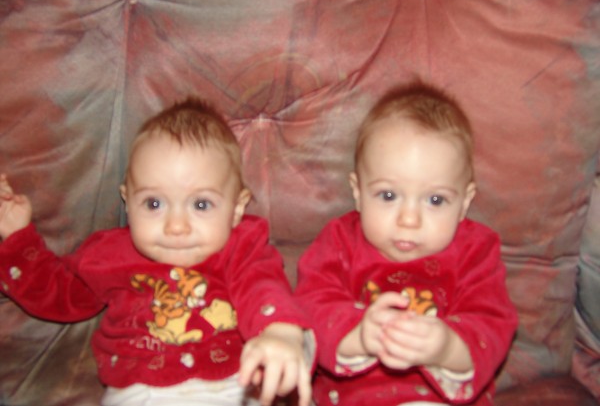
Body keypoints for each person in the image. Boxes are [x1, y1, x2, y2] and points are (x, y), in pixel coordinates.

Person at [0, 98, 314, 406]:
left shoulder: (241, 248)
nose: (176, 226)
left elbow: (262, 286)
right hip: (144, 390)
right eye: (153, 204)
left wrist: (279, 332)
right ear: (128, 200)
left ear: (236, 209)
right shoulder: (107, 254)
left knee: (299, 349)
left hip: (236, 382)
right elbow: (60, 294)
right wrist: (17, 238)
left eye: (201, 204)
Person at [294, 83, 518, 406]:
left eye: (436, 200)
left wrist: (446, 347)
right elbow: (310, 305)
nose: (409, 220)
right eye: (388, 195)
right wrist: (358, 334)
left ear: (465, 202)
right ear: (358, 192)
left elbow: (492, 323)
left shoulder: (476, 252)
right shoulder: (338, 243)